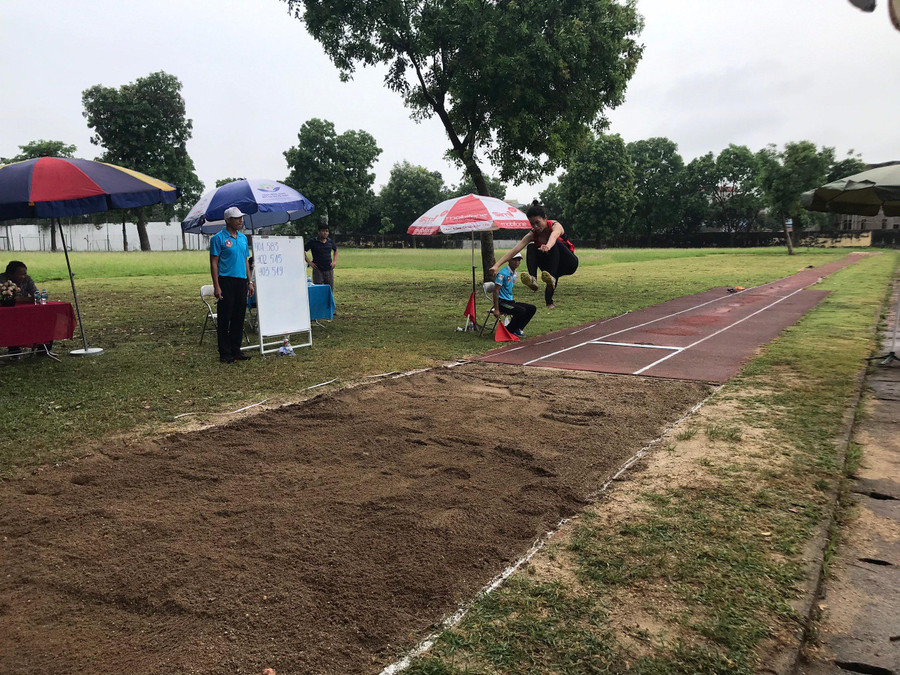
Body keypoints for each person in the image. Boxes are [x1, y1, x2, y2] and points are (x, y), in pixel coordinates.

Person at [489, 201, 578, 308]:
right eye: (532, 224)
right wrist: (496, 265)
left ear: (545, 219)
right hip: (553, 265)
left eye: (537, 222)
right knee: (531, 247)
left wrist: (548, 246)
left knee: (555, 247)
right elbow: (514, 251)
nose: (535, 226)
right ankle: (534, 281)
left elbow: (554, 236)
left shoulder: (555, 226)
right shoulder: (532, 234)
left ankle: (552, 278)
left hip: (569, 263)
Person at [210, 206, 254, 363]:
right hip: (226, 280)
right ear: (227, 220)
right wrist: (216, 286)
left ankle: (236, 350)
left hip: (241, 281)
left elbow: (245, 260)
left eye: (241, 218)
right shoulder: (218, 238)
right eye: (237, 218)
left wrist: (249, 282)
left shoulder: (242, 238)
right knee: (225, 317)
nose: (240, 221)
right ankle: (225, 353)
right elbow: (214, 263)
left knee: (239, 317)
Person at [490, 252, 536, 339]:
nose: (516, 262)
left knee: (532, 308)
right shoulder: (502, 273)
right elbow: (496, 291)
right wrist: (496, 309)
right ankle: (509, 330)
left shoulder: (514, 274)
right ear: (509, 260)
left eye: (518, 260)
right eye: (514, 259)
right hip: (502, 302)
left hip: (510, 302)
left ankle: (517, 328)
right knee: (521, 311)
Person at [304, 223, 338, 290]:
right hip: (318, 269)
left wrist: (334, 261)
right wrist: (309, 262)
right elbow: (302, 250)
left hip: (329, 268)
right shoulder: (313, 241)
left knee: (329, 289)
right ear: (319, 232)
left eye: (326, 231)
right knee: (319, 289)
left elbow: (336, 250)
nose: (325, 233)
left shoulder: (330, 241)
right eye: (323, 231)